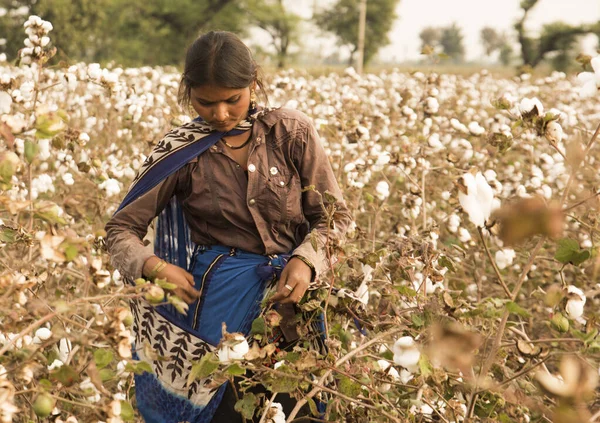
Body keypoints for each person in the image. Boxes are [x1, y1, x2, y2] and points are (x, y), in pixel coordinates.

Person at [105, 30, 351, 423]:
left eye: (232, 100)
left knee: (296, 406)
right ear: (188, 93)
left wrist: (306, 260)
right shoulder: (180, 153)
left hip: (295, 303)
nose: (220, 114)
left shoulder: (292, 134)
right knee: (224, 408)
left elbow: (335, 219)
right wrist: (154, 268)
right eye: (206, 102)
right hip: (217, 309)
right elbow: (119, 231)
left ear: (253, 84)